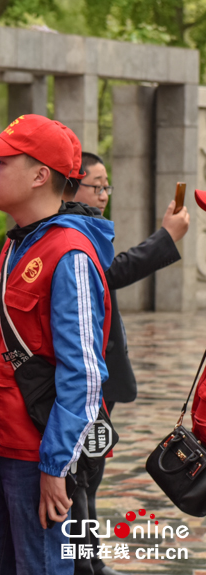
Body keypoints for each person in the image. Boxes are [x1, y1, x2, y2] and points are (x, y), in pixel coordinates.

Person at [0, 114, 114, 575]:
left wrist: (54, 468)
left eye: (2, 161)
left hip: (40, 461)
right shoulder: (17, 245)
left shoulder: (69, 254)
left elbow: (84, 373)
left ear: (40, 175)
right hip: (3, 449)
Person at [62, 152, 189, 575]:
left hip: (98, 378)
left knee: (89, 472)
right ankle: (85, 565)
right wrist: (164, 239)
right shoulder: (69, 232)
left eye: (106, 187)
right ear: (67, 186)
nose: (103, 195)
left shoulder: (84, 227)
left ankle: (89, 560)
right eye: (95, 186)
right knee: (78, 475)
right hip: (84, 381)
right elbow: (110, 273)